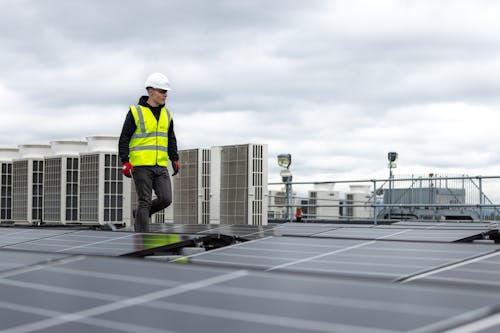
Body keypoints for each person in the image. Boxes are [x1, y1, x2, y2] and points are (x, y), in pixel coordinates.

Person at [118, 72, 180, 232]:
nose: (165, 95)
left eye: (166, 92)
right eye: (162, 91)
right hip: (141, 165)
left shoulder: (167, 114)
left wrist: (174, 158)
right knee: (144, 201)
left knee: (166, 199)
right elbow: (124, 137)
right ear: (151, 91)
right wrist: (125, 161)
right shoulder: (135, 112)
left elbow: (170, 137)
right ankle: (141, 239)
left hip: (160, 164)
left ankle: (139, 215)